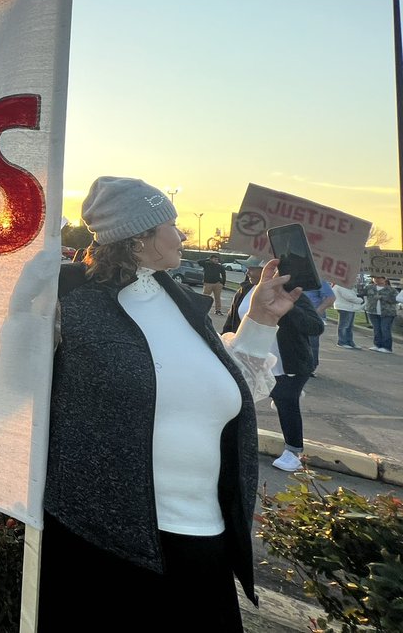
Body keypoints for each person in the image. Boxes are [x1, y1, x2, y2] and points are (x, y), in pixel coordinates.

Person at [45, 176, 303, 632]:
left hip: (206, 541)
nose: (182, 235)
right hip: (108, 544)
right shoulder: (69, 299)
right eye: (173, 224)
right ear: (140, 236)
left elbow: (223, 389)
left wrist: (262, 317)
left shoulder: (179, 299)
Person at [229, 257, 323, 472]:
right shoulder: (244, 292)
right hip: (253, 361)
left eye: (256, 269)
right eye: (250, 269)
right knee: (241, 400)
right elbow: (233, 322)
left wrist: (288, 309)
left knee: (286, 402)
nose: (251, 273)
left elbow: (315, 327)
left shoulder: (292, 295)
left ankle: (293, 452)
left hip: (288, 364)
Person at [301, 280, 335, 372]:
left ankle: (311, 367)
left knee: (312, 343)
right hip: (294, 315)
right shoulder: (291, 278)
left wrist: (317, 312)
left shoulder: (318, 280)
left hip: (311, 317)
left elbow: (331, 298)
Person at [363, 275, 397, 353]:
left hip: (387, 313)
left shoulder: (391, 290)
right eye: (374, 278)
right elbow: (361, 293)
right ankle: (377, 345)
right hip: (373, 311)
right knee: (376, 329)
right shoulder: (369, 287)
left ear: (385, 279)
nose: (376, 280)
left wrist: (383, 297)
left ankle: (387, 347)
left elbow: (396, 300)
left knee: (385, 329)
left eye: (379, 278)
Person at [332, 282, 364, 349]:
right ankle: (342, 342)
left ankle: (349, 342)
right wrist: (360, 300)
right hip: (344, 307)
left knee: (349, 326)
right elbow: (349, 297)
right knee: (344, 325)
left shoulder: (345, 285)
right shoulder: (341, 286)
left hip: (348, 307)